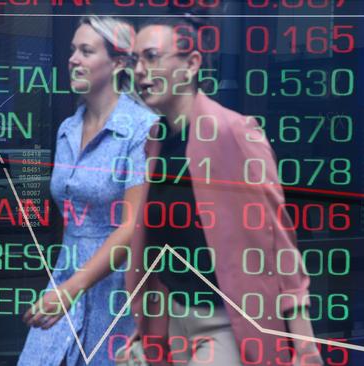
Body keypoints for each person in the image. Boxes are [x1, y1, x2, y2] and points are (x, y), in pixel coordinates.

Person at [125, 17, 324, 365]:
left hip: (226, 326)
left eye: (152, 57)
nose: (140, 71)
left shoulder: (235, 132)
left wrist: (305, 345)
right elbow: (157, 244)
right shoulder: (156, 142)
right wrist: (143, 330)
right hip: (171, 322)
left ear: (191, 64)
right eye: (134, 61)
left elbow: (280, 242)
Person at [18, 16, 156, 366]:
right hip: (66, 275)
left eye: (86, 50)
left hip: (118, 290)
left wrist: (71, 289)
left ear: (118, 63)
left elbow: (131, 228)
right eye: (72, 50)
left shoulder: (143, 129)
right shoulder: (68, 128)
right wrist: (63, 286)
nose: (73, 59)